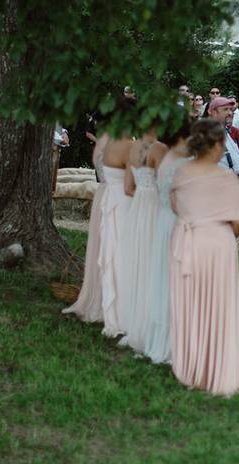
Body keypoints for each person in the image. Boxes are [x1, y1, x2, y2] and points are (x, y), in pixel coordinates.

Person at [169, 119, 239, 397]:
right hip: (216, 244)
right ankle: (216, 367)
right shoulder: (225, 178)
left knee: (190, 304)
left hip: (187, 239)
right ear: (216, 145)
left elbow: (176, 207)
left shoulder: (180, 174)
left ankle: (192, 366)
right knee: (217, 305)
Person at [117, 126, 167, 341]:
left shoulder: (134, 147)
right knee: (154, 258)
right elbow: (168, 184)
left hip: (138, 206)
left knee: (138, 255)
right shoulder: (160, 149)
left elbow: (128, 188)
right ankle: (151, 313)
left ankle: (132, 312)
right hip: (155, 204)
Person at [98, 98, 136, 338]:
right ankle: (124, 314)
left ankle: (112, 313)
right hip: (124, 205)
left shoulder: (109, 142)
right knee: (124, 257)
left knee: (112, 257)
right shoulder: (130, 147)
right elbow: (131, 185)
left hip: (109, 203)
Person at [62, 131, 109, 323]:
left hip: (102, 195)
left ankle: (98, 293)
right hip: (116, 197)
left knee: (101, 245)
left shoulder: (102, 143)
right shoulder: (122, 145)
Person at [209, 97, 239, 175]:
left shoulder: (225, 131)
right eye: (225, 109)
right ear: (214, 112)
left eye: (231, 110)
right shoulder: (206, 134)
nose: (230, 113)